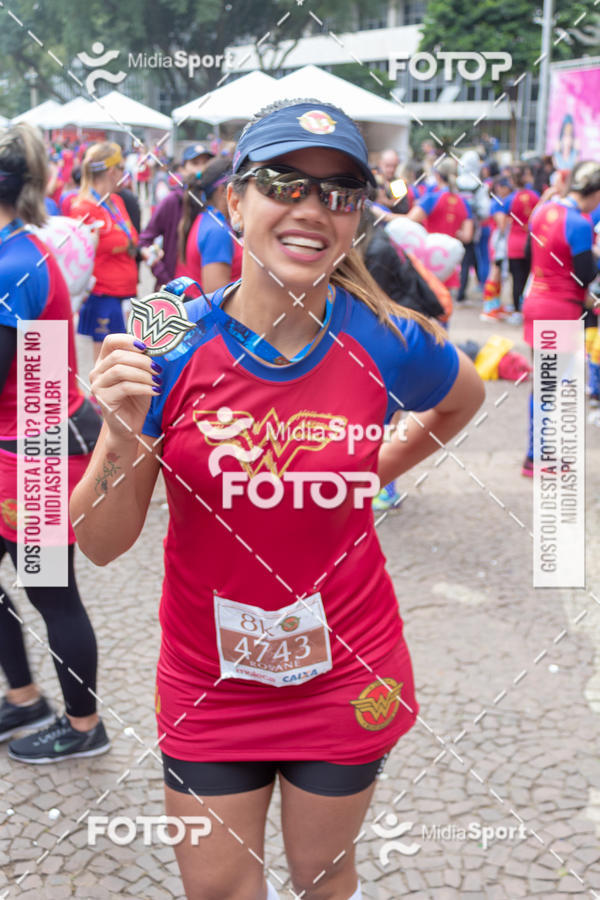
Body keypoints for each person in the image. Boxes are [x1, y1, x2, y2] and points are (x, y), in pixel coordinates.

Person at [71, 98, 484, 900]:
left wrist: (375, 466)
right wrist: (120, 434)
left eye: (339, 193)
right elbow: (99, 542)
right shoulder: (171, 345)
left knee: (322, 878)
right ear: (235, 201)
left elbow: (460, 398)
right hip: (209, 680)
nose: (312, 208)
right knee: (218, 891)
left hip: (346, 671)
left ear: (356, 216)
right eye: (283, 184)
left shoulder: (385, 336)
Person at [0, 123, 109, 762]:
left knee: (51, 593)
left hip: (37, 453)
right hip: (23, 441)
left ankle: (84, 724)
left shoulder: (15, 264)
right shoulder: (16, 250)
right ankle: (24, 699)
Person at [521, 160, 600, 475]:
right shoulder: (579, 223)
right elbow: (585, 274)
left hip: (536, 301)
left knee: (542, 382)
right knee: (551, 385)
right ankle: (539, 456)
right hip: (560, 307)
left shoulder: (543, 211)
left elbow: (529, 254)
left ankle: (535, 454)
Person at [69, 142, 139, 361]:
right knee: (107, 364)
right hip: (103, 295)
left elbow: (129, 238)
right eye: (121, 168)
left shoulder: (116, 200)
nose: (124, 174)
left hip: (127, 292)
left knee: (126, 359)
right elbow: (76, 258)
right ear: (111, 171)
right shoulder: (83, 209)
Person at [138, 143, 214, 290]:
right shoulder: (172, 201)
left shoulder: (214, 201)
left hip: (205, 289)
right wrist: (164, 277)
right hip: (175, 289)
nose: (201, 169)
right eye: (195, 163)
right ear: (182, 169)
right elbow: (144, 241)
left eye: (206, 163)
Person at [176, 156, 242, 292]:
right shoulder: (217, 231)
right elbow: (216, 297)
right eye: (240, 187)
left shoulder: (206, 218)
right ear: (223, 191)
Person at [506, 165, 539, 325]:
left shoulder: (510, 199)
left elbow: (502, 221)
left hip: (514, 243)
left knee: (517, 279)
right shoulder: (535, 196)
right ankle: (528, 309)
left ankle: (517, 312)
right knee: (530, 279)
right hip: (532, 242)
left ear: (512, 181)